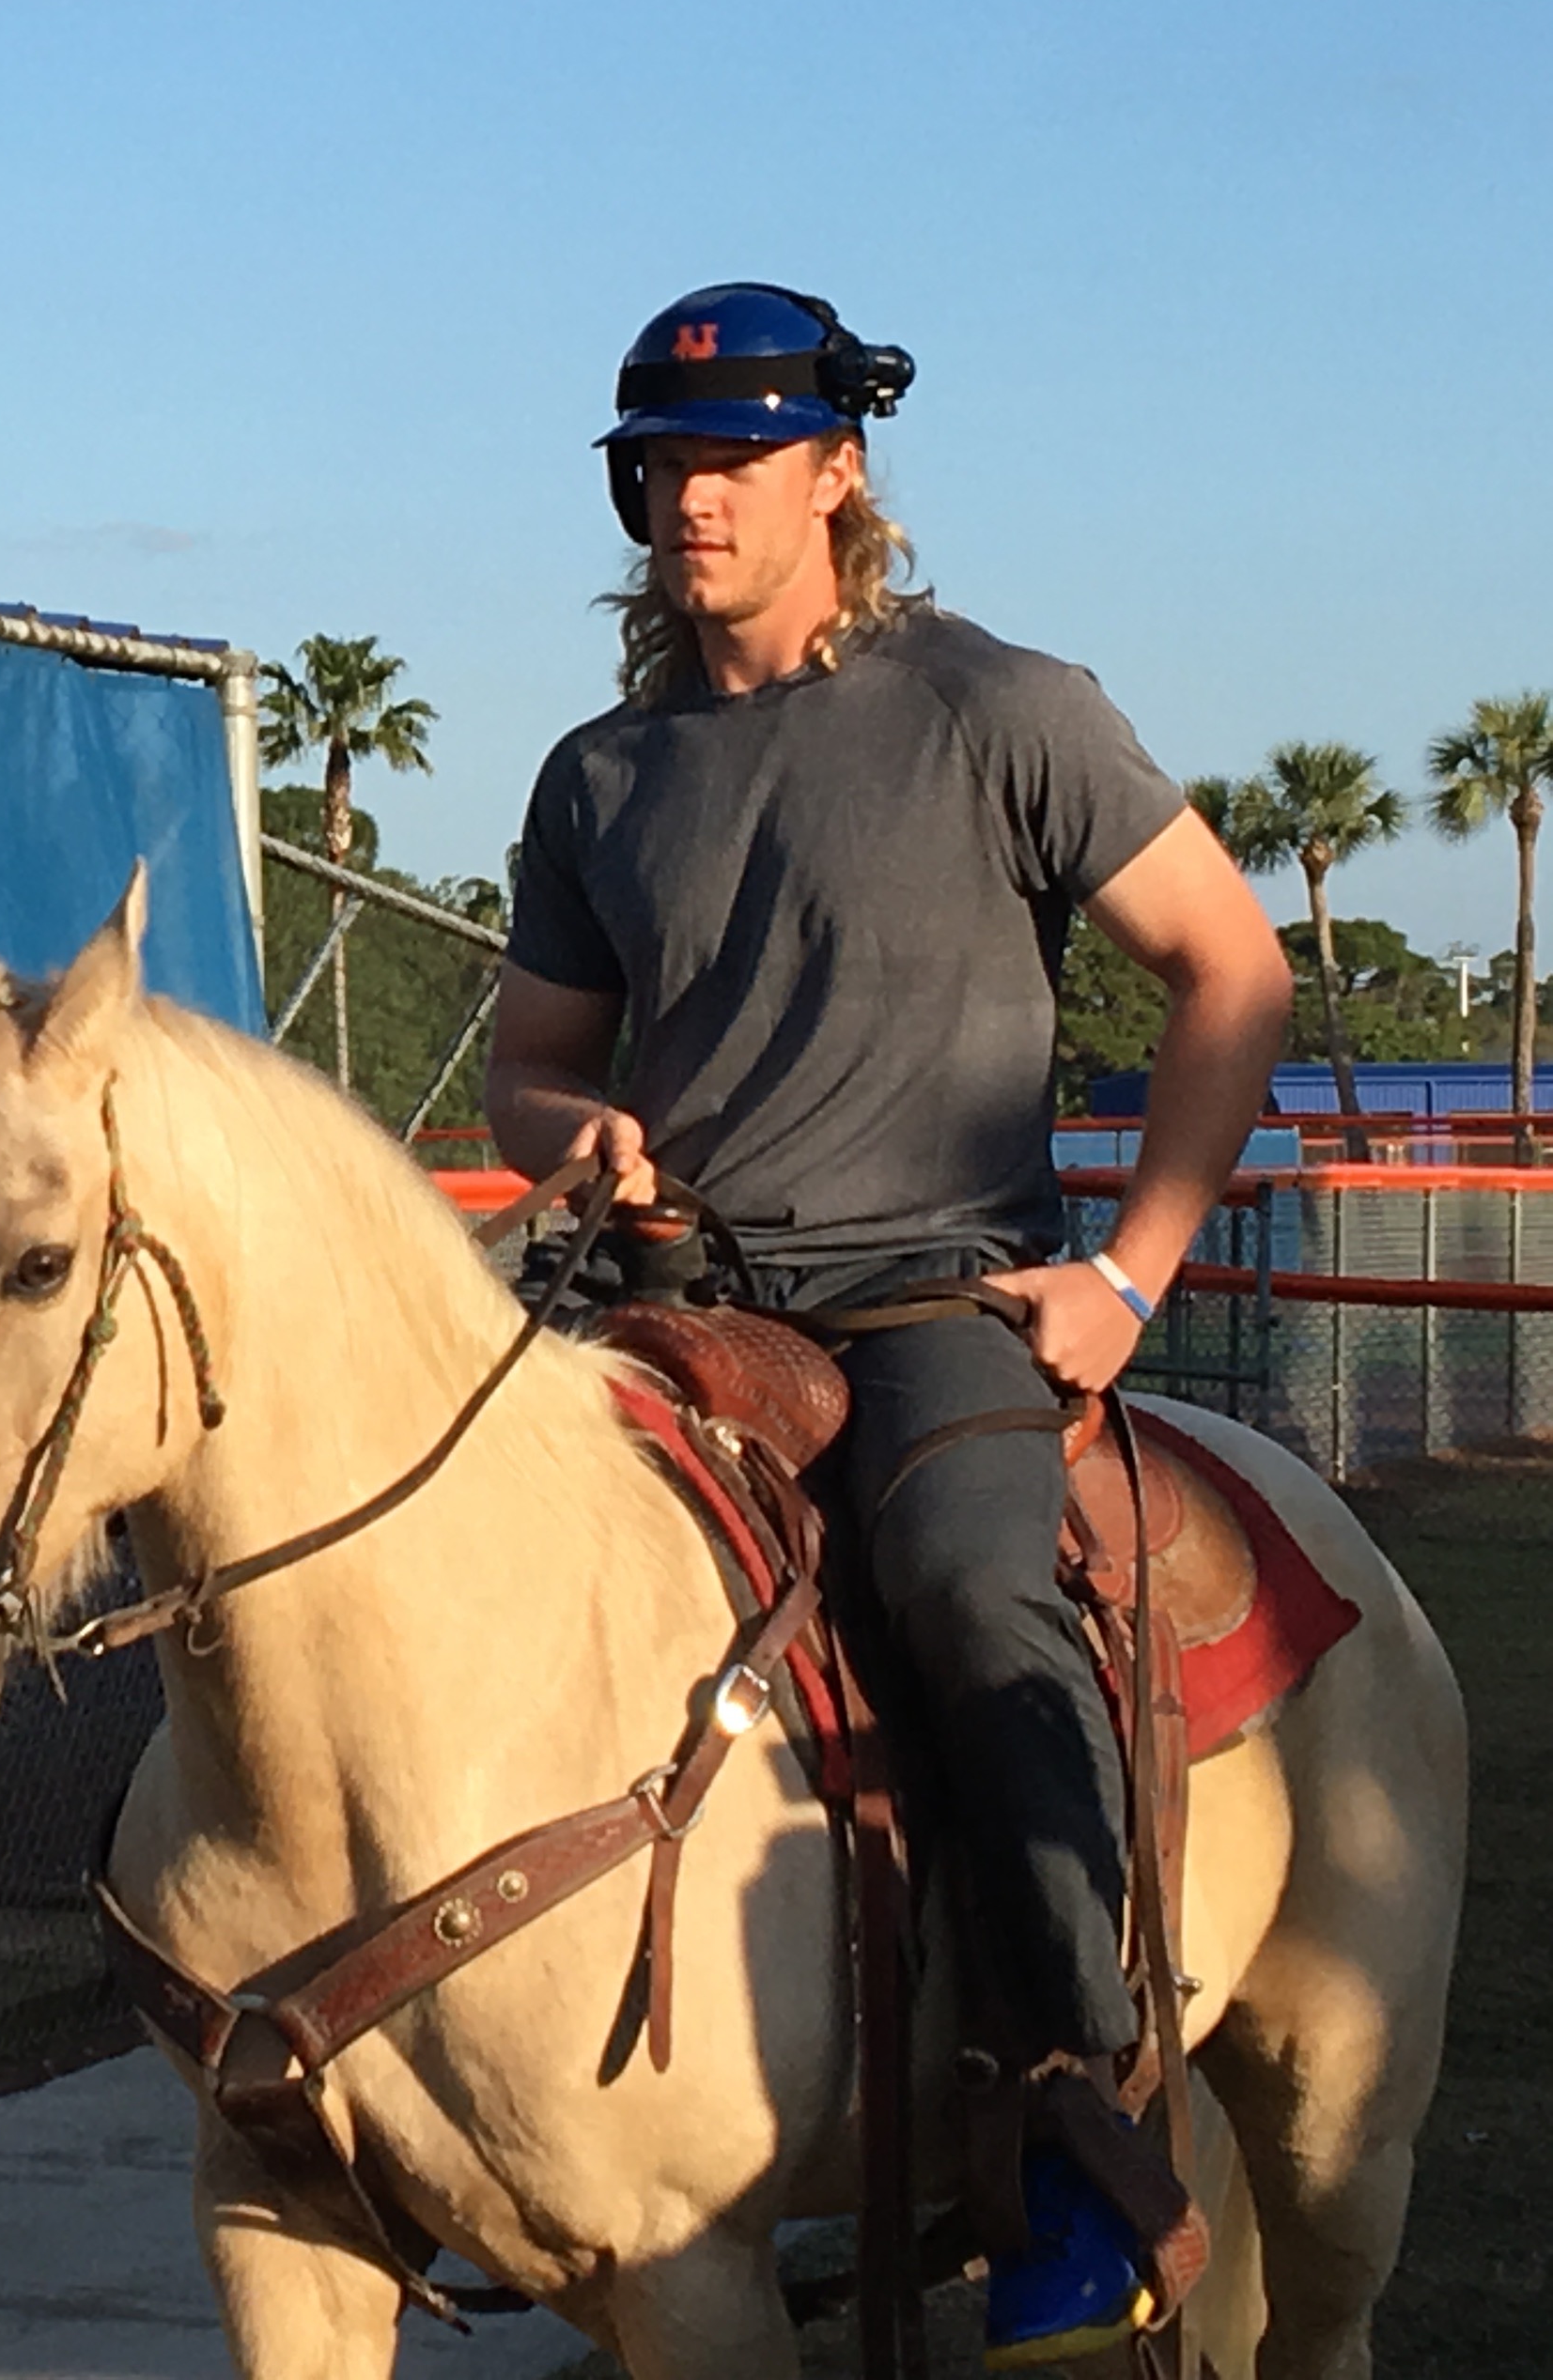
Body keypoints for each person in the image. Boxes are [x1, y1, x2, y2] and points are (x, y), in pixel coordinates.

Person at [483, 283, 1292, 2370]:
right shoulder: (599, 776)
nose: (692, 500)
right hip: (683, 1307)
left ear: (843, 472)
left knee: (959, 1593)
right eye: (660, 465)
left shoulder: (1000, 710)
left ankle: (1074, 2144)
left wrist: (1132, 1273)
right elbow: (530, 1075)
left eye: (736, 458)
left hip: (942, 1293)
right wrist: (590, 1143)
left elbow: (1231, 968)